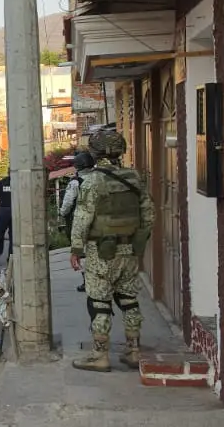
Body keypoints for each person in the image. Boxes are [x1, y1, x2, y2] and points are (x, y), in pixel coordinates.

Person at [69, 129, 156, 372]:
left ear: (94, 153)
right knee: (129, 300)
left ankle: (100, 355)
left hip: (101, 251)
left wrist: (76, 248)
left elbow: (82, 217)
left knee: (99, 303)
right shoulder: (134, 177)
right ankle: (134, 351)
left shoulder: (93, 181)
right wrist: (139, 240)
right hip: (129, 250)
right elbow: (149, 214)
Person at [60, 150, 98, 292]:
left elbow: (68, 203)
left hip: (80, 220)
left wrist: (62, 213)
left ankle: (87, 281)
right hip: (99, 220)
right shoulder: (99, 178)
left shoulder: (76, 182)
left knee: (80, 252)